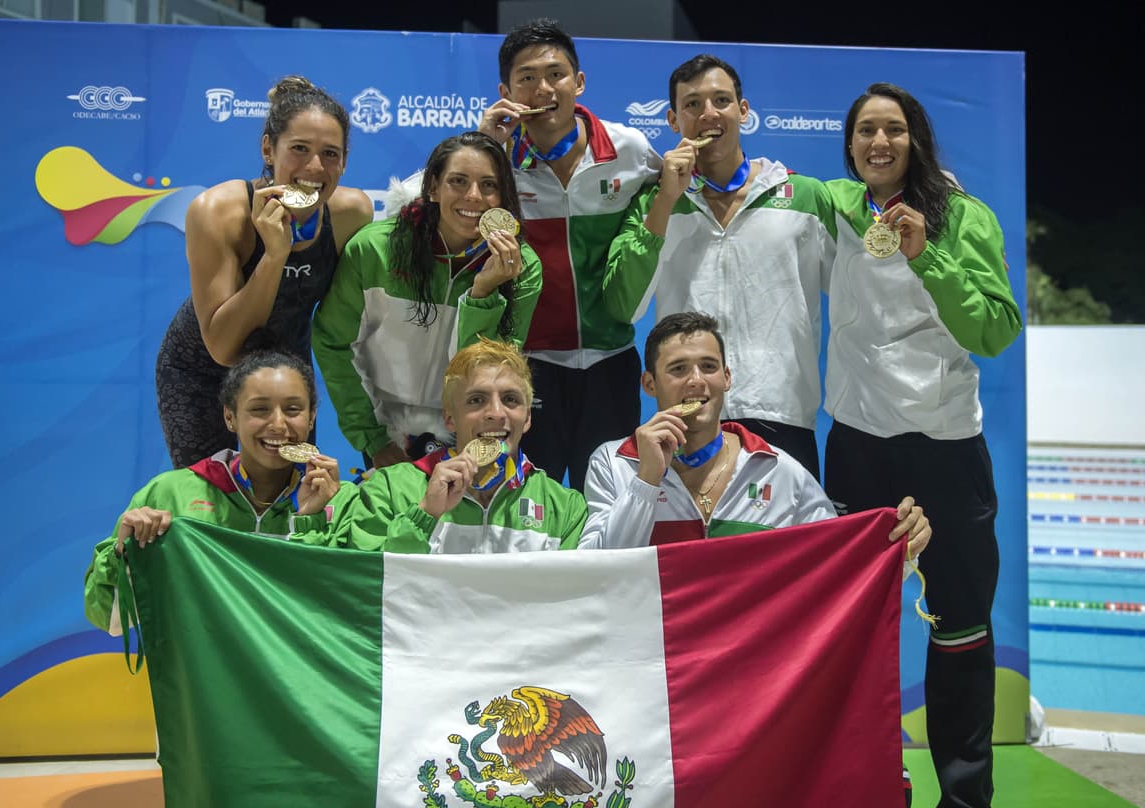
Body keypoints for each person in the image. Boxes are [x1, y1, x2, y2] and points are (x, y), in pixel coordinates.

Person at [823, 83, 1023, 808]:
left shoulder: (962, 215)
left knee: (963, 632)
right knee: (848, 637)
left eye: (894, 130)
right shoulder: (836, 206)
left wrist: (925, 252)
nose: (880, 142)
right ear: (849, 145)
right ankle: (866, 801)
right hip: (859, 448)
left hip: (945, 449)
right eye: (866, 130)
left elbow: (995, 330)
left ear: (916, 140)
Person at [600, 55, 835, 481]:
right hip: (686, 415)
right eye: (692, 104)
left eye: (721, 100)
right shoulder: (654, 203)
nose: (708, 113)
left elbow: (862, 288)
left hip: (779, 412)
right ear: (673, 119)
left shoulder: (805, 196)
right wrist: (666, 200)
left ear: (743, 111)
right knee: (687, 547)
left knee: (781, 550)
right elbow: (625, 306)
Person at [477, 18, 662, 490]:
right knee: (525, 504)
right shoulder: (492, 163)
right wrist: (485, 149)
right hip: (528, 364)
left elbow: (683, 193)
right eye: (527, 78)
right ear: (506, 90)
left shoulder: (630, 150)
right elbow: (430, 210)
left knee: (609, 501)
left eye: (556, 74)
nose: (543, 88)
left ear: (578, 82)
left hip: (611, 361)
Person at [156, 75, 373, 468]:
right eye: (299, 149)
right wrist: (275, 255)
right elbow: (223, 347)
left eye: (330, 153)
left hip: (288, 369)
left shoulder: (350, 214)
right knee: (210, 503)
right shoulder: (219, 213)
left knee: (290, 501)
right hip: (203, 370)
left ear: (344, 162)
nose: (314, 167)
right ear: (268, 149)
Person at [580, 312, 929, 556]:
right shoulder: (614, 463)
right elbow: (595, 571)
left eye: (709, 366)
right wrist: (646, 480)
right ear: (649, 384)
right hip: (656, 656)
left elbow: (836, 564)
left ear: (727, 378)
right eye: (678, 369)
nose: (697, 380)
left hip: (750, 660)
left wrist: (897, 550)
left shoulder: (777, 470)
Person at [311, 132, 542, 469]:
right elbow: (333, 344)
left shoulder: (522, 269)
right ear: (433, 187)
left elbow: (490, 375)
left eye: (489, 185)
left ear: (503, 196)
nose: (474, 196)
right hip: (385, 435)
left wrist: (483, 293)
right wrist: (373, 439)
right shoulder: (373, 250)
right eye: (458, 181)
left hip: (468, 437)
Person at [86, 351, 356, 633]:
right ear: (230, 417)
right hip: (201, 675)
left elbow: (339, 614)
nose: (278, 424)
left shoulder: (341, 502)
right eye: (259, 409)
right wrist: (127, 554)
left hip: (295, 674)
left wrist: (309, 519)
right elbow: (110, 619)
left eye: (292, 410)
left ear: (311, 417)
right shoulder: (171, 494)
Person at [294, 338, 586, 553]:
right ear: (449, 418)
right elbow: (366, 585)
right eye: (476, 400)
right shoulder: (390, 490)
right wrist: (424, 514)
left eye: (510, 400)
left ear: (527, 418)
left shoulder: (565, 508)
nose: (496, 413)